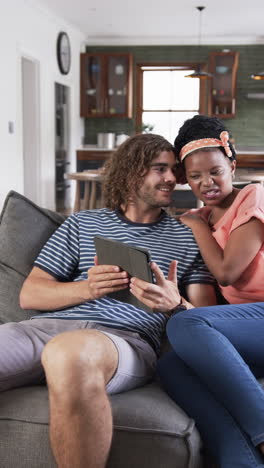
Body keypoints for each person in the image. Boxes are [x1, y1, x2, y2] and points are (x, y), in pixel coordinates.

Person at [0, 133, 216, 468]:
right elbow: (31, 293)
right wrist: (87, 288)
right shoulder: (82, 223)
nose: (173, 179)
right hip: (44, 329)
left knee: (70, 352)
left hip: (122, 341)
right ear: (131, 174)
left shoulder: (187, 236)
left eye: (175, 170)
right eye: (161, 169)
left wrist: (175, 305)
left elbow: (210, 318)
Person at [158, 115, 264, 468]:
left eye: (215, 171)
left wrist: (196, 224)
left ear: (232, 165)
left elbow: (227, 273)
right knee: (173, 366)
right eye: (195, 176)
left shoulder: (253, 197)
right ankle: (243, 462)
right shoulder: (199, 217)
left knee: (187, 325)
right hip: (247, 331)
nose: (207, 183)